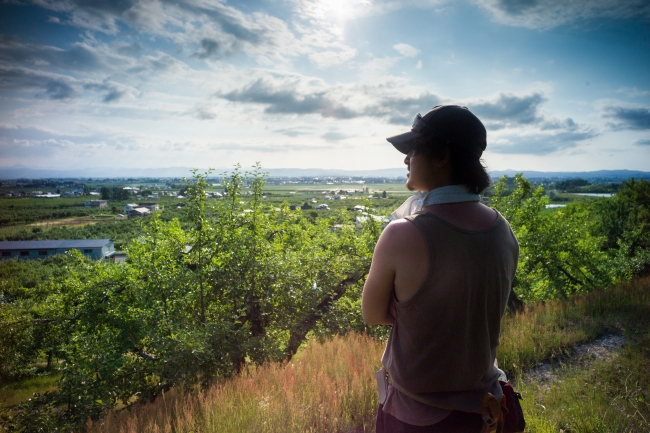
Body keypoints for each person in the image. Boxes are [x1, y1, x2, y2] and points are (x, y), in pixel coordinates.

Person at [361, 105, 519, 432]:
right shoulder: (502, 230)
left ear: (442, 157)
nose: (406, 160)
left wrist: (411, 309)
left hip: (415, 417)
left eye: (414, 150)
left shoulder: (403, 234)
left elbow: (373, 313)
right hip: (484, 412)